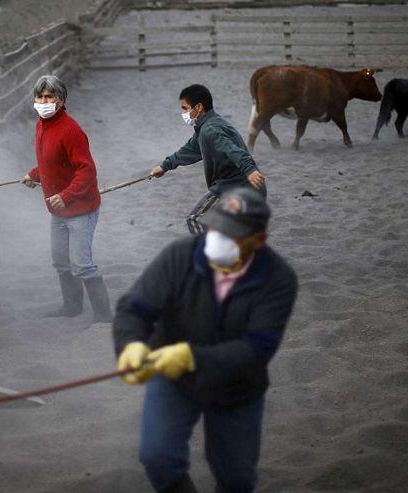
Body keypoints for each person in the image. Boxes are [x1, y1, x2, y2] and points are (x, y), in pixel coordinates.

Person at [112, 187, 298, 493]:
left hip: (237, 388)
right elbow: (134, 308)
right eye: (215, 226)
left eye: (232, 232)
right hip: (173, 379)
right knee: (157, 456)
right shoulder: (179, 256)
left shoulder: (278, 279)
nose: (217, 236)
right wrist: (130, 344)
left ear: (258, 240)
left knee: (236, 477)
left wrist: (190, 357)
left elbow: (257, 349)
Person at [20, 75, 112, 323]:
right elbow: (50, 162)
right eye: (39, 97)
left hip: (81, 209)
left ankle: (104, 316)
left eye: (49, 97)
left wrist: (67, 195)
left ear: (60, 101)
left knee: (82, 264)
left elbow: (87, 170)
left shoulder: (70, 130)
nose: (43, 101)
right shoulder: (41, 125)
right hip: (58, 210)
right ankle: (72, 307)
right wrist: (34, 174)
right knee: (61, 261)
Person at [150, 84, 267, 235]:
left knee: (196, 218)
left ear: (198, 107)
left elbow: (232, 150)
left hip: (236, 188)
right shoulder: (207, 126)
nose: (183, 113)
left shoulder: (210, 129)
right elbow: (190, 149)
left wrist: (250, 170)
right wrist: (165, 166)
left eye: (185, 108)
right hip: (244, 189)